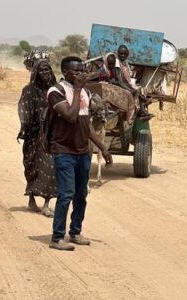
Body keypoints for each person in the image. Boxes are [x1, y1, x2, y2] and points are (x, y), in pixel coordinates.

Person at [46, 56, 113, 251]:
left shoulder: (84, 92)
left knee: (81, 195)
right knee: (66, 194)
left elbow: (86, 123)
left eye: (83, 71)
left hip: (83, 152)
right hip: (64, 151)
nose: (81, 75)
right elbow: (70, 115)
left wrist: (103, 147)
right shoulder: (56, 92)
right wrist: (76, 89)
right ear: (65, 72)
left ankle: (75, 232)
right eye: (77, 72)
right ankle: (57, 237)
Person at [17, 59, 57, 217]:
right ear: (36, 74)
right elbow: (24, 111)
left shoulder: (55, 90)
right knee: (32, 166)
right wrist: (24, 128)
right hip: (33, 135)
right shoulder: (28, 90)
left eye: (48, 70)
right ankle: (32, 198)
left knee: (50, 168)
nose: (46, 74)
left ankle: (47, 204)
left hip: (51, 135)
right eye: (42, 71)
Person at [116, 45, 153, 119]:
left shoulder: (125, 62)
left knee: (140, 89)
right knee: (135, 91)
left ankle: (141, 109)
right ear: (117, 53)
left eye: (125, 54)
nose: (123, 55)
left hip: (126, 83)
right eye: (121, 53)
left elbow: (129, 75)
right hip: (120, 84)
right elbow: (119, 80)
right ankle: (138, 109)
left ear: (127, 54)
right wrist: (130, 89)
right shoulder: (117, 63)